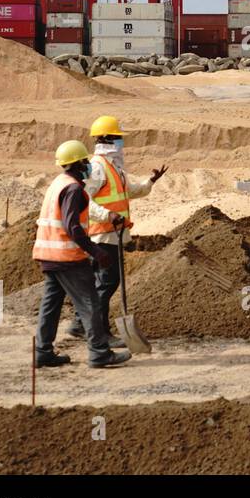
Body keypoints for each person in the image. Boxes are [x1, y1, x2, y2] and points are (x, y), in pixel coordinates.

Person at [67, 115, 167, 347]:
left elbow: (129, 191)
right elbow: (85, 200)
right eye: (118, 139)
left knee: (99, 282)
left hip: (111, 234)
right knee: (108, 282)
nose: (121, 143)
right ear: (107, 140)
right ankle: (98, 331)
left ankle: (80, 324)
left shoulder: (114, 169)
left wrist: (151, 181)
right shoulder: (99, 168)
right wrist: (107, 215)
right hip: (102, 234)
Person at [34, 140, 131, 369]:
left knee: (51, 304)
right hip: (67, 257)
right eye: (85, 161)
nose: (88, 165)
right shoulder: (74, 189)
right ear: (77, 163)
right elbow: (72, 226)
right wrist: (96, 252)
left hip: (48, 254)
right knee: (90, 303)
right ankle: (99, 353)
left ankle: (42, 351)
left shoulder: (58, 182)